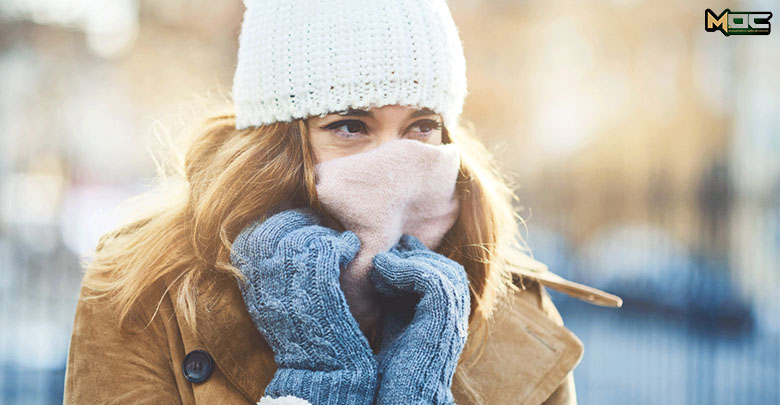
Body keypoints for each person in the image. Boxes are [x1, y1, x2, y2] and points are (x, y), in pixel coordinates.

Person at [63, 0, 622, 404]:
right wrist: (320, 383)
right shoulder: (148, 290)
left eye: (421, 127)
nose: (395, 162)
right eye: (351, 126)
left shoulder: (511, 307)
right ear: (277, 142)